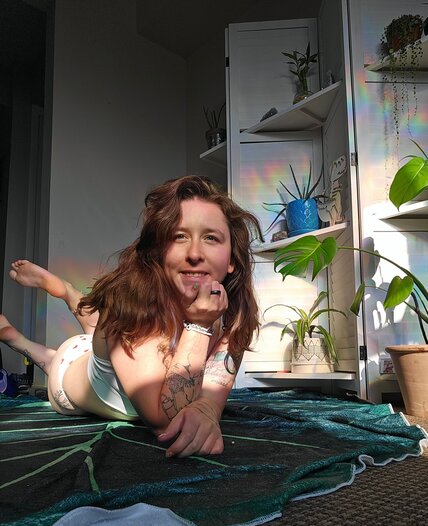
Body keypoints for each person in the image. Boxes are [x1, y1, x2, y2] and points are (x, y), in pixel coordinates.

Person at [0, 175, 262, 458]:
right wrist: (199, 325)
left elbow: (212, 392)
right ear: (158, 250)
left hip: (110, 352)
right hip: (70, 374)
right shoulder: (131, 301)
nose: (195, 253)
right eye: (179, 236)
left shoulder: (231, 307)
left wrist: (208, 408)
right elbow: (166, 419)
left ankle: (68, 293)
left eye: (211, 238)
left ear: (231, 260)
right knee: (55, 361)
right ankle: (20, 336)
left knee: (97, 328)